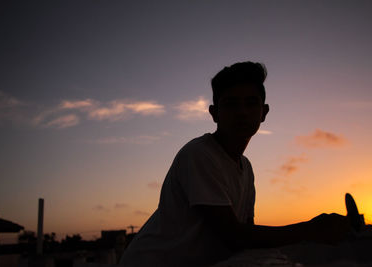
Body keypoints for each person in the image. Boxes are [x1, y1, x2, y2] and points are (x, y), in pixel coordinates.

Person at [119, 62, 349, 266]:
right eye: (231, 104)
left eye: (251, 103)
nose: (242, 113)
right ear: (214, 113)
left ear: (264, 113)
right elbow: (234, 236)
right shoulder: (199, 154)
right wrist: (311, 230)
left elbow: (245, 236)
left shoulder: (246, 169)